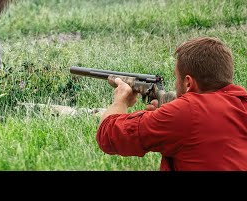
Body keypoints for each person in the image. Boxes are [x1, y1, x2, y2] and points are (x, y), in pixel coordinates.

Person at [96, 36, 247, 171]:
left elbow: (108, 136)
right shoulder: (242, 102)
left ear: (188, 83)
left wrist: (120, 100)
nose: (175, 84)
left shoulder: (185, 112)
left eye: (176, 78)